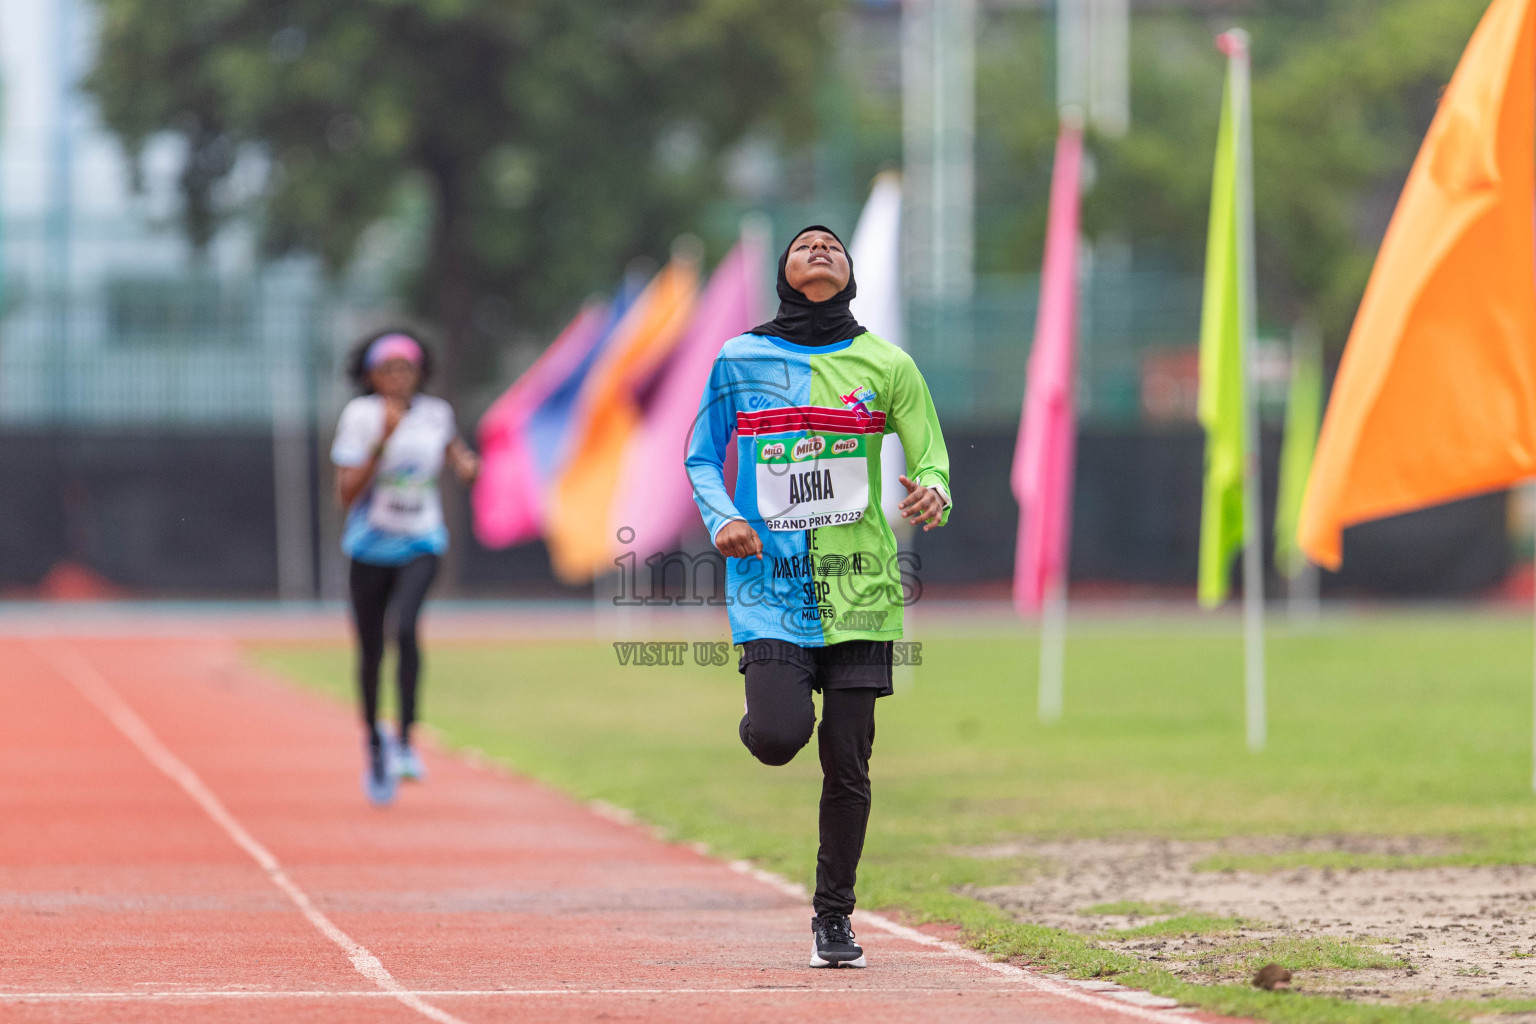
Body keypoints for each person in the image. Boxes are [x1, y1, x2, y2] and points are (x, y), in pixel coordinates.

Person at [686, 226, 952, 968]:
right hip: (769, 586)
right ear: (783, 271)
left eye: (832, 244)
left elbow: (931, 455)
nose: (820, 248)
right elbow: (701, 453)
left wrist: (934, 491)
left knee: (849, 762)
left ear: (851, 271)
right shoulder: (740, 359)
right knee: (777, 738)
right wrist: (724, 516)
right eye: (805, 244)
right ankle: (766, 713)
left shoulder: (887, 364)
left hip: (861, 588)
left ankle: (833, 919)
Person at [330, 330, 479, 805]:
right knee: (371, 650)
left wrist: (465, 463)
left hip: (422, 540)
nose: (399, 378)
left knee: (407, 628)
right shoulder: (360, 416)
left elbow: (454, 447)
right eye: (388, 369)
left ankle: (407, 740)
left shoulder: (436, 414)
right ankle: (374, 740)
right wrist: (382, 441)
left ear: (419, 373)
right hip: (369, 546)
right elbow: (346, 493)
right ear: (372, 375)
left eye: (407, 369)